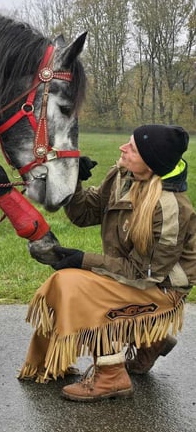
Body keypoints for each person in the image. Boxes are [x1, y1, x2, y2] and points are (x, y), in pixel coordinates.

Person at [18, 124, 196, 402]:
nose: (122, 149)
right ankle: (150, 339)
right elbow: (84, 214)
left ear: (151, 161)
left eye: (132, 148)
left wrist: (82, 261)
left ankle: (111, 375)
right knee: (71, 280)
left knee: (75, 285)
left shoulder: (169, 208)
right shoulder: (123, 175)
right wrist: (72, 180)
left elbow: (144, 274)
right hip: (134, 277)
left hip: (162, 289)